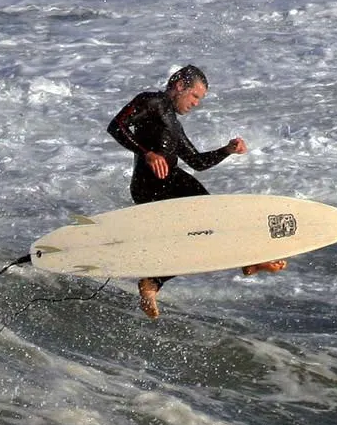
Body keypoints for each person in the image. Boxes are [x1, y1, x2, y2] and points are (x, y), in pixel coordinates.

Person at [106, 64, 281, 318]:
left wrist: (226, 150)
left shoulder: (174, 125)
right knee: (209, 219)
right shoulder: (151, 101)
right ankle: (247, 260)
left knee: (199, 232)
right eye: (195, 96)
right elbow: (117, 126)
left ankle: (153, 283)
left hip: (168, 183)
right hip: (151, 184)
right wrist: (148, 154)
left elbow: (197, 162)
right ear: (179, 87)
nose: (197, 103)